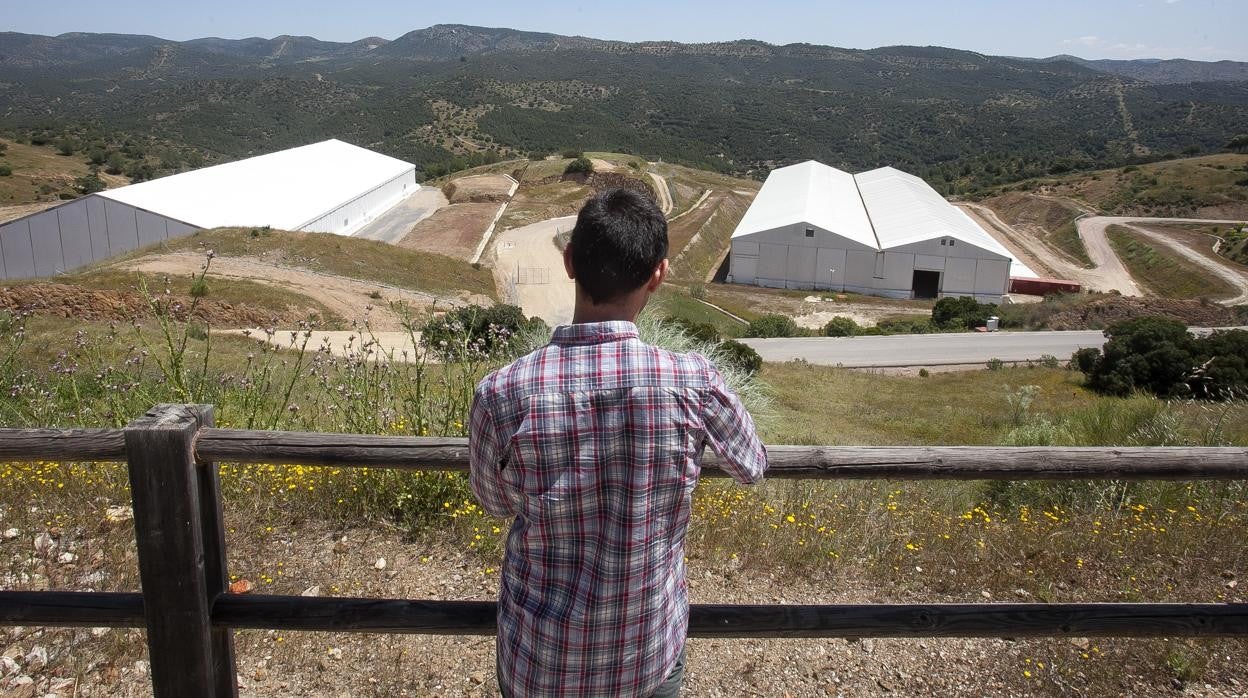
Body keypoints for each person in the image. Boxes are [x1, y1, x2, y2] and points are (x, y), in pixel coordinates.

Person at [469, 188, 767, 697]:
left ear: (569, 262)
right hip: (645, 652)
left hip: (540, 660)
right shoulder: (692, 380)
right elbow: (752, 464)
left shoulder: (502, 392)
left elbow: (493, 501)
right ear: (658, 274)